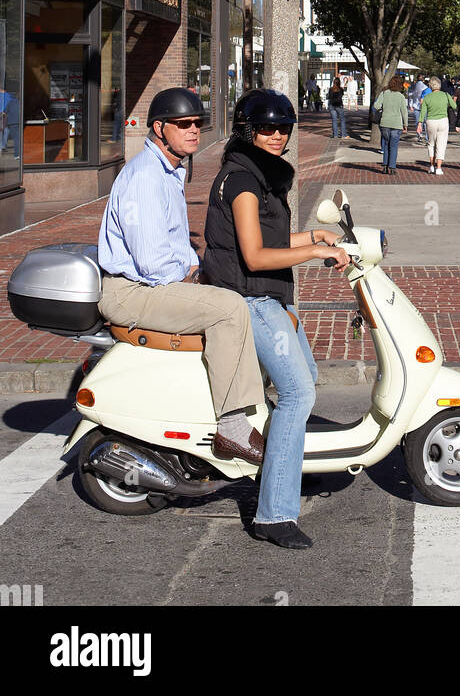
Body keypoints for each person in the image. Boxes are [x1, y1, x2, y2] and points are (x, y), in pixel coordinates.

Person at [202, 90, 349, 549]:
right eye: (267, 128)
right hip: (251, 299)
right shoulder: (243, 181)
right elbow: (255, 255)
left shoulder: (259, 176)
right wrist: (315, 251)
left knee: (307, 378)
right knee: (298, 392)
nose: (277, 136)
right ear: (247, 131)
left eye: (283, 128)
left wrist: (315, 234)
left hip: (269, 296)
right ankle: (274, 515)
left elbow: (273, 239)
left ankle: (283, 465)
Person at [97, 88, 266, 466]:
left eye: (197, 123)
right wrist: (191, 278)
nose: (193, 130)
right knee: (228, 309)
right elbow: (153, 262)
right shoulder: (145, 176)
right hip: (132, 291)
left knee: (234, 293)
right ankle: (232, 427)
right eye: (183, 124)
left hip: (149, 284)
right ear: (159, 128)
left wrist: (198, 270)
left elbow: (176, 244)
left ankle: (244, 402)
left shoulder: (168, 170)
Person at [418, 78, 457, 175]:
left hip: (431, 121)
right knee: (441, 144)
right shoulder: (445, 95)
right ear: (439, 85)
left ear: (430, 86)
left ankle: (432, 166)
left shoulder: (427, 97)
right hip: (443, 121)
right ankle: (439, 168)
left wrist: (419, 123)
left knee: (431, 144)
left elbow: (423, 112)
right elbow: (454, 106)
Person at [373, 75, 408, 174]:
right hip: (397, 124)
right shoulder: (401, 96)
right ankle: (392, 167)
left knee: (386, 144)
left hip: (385, 122)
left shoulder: (384, 93)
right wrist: (405, 124)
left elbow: (376, 105)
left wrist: (382, 109)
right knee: (393, 146)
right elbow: (404, 112)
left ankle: (385, 166)